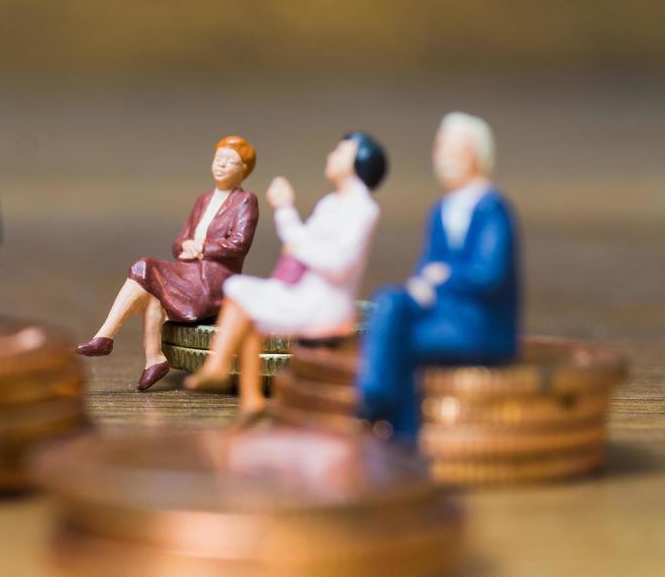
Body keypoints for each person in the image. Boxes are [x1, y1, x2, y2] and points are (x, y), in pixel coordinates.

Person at [184, 132, 387, 421]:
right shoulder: (331, 203)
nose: (331, 157)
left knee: (243, 299)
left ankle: (220, 369)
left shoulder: (363, 210)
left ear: (357, 163)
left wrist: (299, 240)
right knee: (239, 291)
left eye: (340, 152)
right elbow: (299, 240)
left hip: (325, 304)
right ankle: (248, 396)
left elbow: (339, 263)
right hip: (306, 291)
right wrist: (285, 210)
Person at [357, 113, 520, 441]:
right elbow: (427, 267)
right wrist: (421, 286)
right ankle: (376, 396)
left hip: (479, 326)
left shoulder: (492, 209)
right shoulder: (440, 211)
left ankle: (395, 423)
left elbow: (489, 274)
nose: (441, 159)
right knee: (389, 299)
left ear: (475, 155)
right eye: (439, 149)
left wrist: (444, 279)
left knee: (399, 342)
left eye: (451, 151)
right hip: (443, 314)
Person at [77, 137, 260, 392]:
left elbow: (240, 243)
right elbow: (179, 241)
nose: (221, 165)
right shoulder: (203, 200)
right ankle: (152, 358)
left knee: (144, 267)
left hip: (213, 281)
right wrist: (186, 246)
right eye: (218, 159)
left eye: (230, 162)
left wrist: (204, 248)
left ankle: (106, 338)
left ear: (244, 169)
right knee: (148, 288)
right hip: (189, 271)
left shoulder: (245, 201)